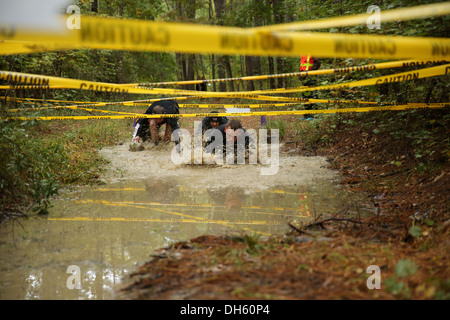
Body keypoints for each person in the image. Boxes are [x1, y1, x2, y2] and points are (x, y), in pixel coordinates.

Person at [299, 55, 321, 120]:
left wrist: (310, 72)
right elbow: (301, 66)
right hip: (304, 78)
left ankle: (313, 115)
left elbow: (317, 63)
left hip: (311, 77)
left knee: (312, 95)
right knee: (305, 96)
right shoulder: (302, 54)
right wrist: (300, 75)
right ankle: (306, 115)